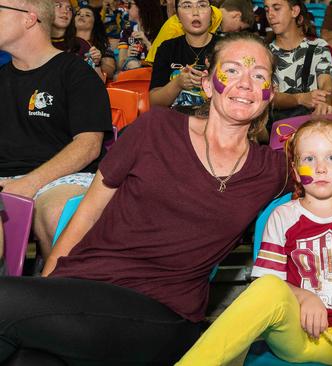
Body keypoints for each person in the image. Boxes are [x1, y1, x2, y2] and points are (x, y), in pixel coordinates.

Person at [0, 32, 286, 364]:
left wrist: (298, 295)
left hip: (162, 311)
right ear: (208, 84)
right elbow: (88, 213)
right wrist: (48, 287)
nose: (246, 83)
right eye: (232, 71)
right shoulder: (156, 127)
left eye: (260, 75)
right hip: (84, 289)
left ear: (270, 95)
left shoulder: (270, 169)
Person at [177, 119, 332, 366]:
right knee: (268, 287)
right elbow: (265, 286)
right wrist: (303, 296)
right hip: (294, 336)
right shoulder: (282, 216)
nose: (320, 168)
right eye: (309, 159)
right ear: (296, 170)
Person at [0, 0, 111, 261]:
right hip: (5, 177)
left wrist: (27, 183)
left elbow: (88, 145)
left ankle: (64, 298)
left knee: (56, 213)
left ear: (29, 18)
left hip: (63, 177)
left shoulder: (76, 74)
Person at [266, 0, 332, 122]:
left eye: (276, 8)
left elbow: (327, 86)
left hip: (312, 124)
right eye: (267, 10)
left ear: (294, 11)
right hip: (276, 127)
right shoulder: (264, 52)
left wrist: (323, 104)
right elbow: (267, 97)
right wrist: (300, 98)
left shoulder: (318, 47)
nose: (270, 15)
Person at [149, 0, 219, 113]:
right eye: (187, 6)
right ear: (177, 16)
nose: (195, 12)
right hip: (175, 122)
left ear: (211, 13)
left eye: (202, 5)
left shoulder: (225, 48)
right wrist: (178, 83)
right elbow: (154, 101)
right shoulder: (167, 48)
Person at [145, 0, 253, 64]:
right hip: (155, 63)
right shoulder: (215, 16)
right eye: (239, 28)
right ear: (236, 16)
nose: (235, 31)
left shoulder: (215, 20)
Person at [117, 0, 164, 70]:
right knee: (132, 64)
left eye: (129, 5)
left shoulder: (162, 30)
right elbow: (120, 65)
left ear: (142, 7)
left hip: (155, 74)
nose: (126, 8)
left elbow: (164, 62)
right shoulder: (127, 30)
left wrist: (147, 43)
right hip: (134, 75)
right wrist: (127, 56)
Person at [75, 6, 117, 79]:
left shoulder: (102, 44)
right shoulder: (64, 41)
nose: (81, 15)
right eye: (78, 14)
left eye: (87, 15)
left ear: (95, 22)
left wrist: (98, 62)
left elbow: (110, 72)